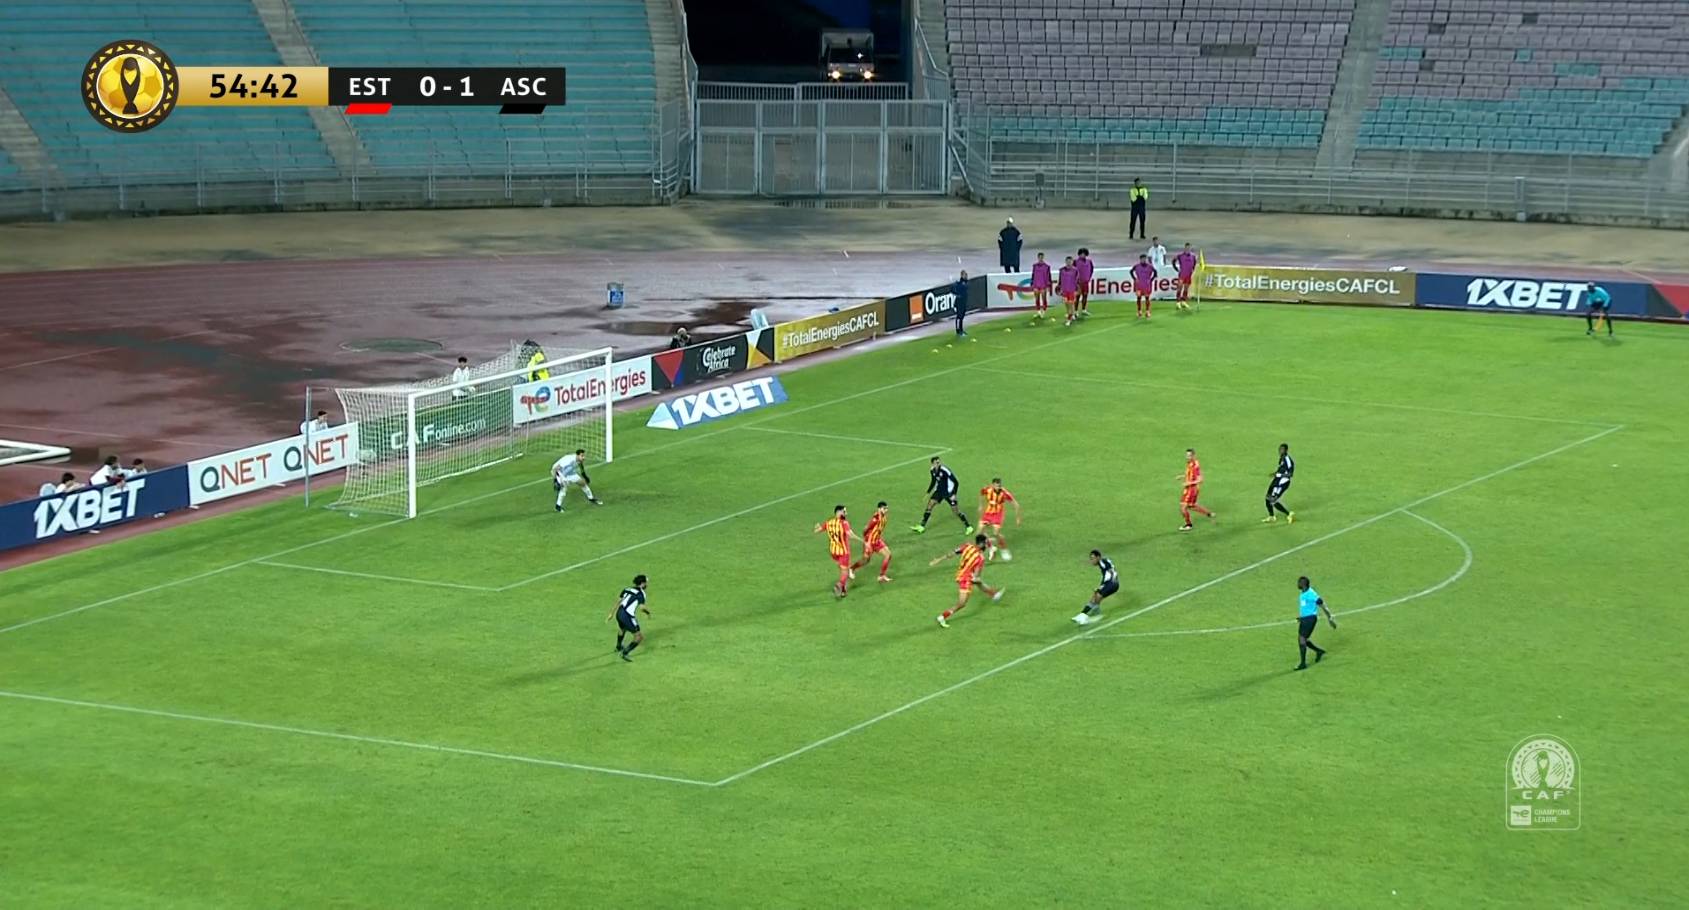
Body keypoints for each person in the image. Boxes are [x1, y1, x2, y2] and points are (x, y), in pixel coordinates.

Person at [931, 533, 1004, 628]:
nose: (986, 546)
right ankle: (942, 617)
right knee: (962, 603)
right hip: (966, 579)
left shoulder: (967, 546)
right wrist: (976, 579)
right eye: (985, 543)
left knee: (979, 583)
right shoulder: (980, 558)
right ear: (981, 544)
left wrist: (939, 559)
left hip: (960, 574)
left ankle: (994, 594)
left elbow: (952, 553)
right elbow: (976, 576)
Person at [913, 456, 972, 534]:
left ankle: (968, 527)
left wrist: (954, 494)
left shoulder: (945, 470)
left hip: (949, 492)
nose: (938, 464)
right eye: (936, 462)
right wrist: (928, 492)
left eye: (939, 462)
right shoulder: (932, 470)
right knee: (930, 506)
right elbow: (933, 481)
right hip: (939, 491)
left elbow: (956, 482)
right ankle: (922, 526)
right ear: (933, 464)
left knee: (956, 511)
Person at [814, 504, 859, 598]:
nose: (846, 513)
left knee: (843, 569)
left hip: (833, 551)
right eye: (844, 511)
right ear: (838, 512)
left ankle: (843, 591)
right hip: (843, 552)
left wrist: (816, 527)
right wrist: (862, 540)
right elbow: (850, 535)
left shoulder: (829, 522)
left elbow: (817, 530)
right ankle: (839, 584)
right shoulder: (844, 523)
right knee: (845, 572)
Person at [1294, 575, 1337, 670]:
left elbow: (1322, 605)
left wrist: (1330, 618)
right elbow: (1306, 607)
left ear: (1304, 584)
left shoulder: (1311, 594)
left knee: (1302, 639)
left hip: (1310, 619)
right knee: (1303, 639)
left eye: (1299, 582)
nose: (1297, 584)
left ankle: (1303, 664)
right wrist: (1302, 617)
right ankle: (1319, 651)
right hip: (1305, 619)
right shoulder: (1303, 593)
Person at [607, 574, 651, 662]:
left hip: (619, 613)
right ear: (642, 583)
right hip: (627, 616)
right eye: (646, 583)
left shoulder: (627, 589)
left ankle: (618, 646)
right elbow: (642, 608)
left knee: (622, 629)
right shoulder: (641, 593)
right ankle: (625, 653)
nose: (647, 585)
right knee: (639, 637)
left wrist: (611, 613)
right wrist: (648, 612)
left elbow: (618, 601)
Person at [849, 501, 894, 582]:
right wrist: (867, 541)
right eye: (884, 508)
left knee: (888, 555)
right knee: (865, 560)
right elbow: (865, 529)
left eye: (886, 508)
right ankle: (851, 568)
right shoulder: (875, 518)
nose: (886, 510)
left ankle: (881, 576)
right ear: (879, 509)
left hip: (877, 541)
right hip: (870, 542)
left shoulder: (883, 517)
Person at [977, 478, 1021, 561]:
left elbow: (1016, 504)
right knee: (979, 532)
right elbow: (982, 493)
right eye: (997, 486)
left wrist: (1018, 518)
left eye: (1000, 486)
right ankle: (991, 548)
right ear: (993, 485)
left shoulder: (1004, 493)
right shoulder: (988, 489)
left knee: (996, 533)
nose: (999, 487)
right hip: (988, 513)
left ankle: (1004, 550)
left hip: (998, 514)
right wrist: (980, 505)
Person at [1072, 550, 1120, 625]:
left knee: (1096, 595)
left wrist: (1102, 585)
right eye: (1091, 559)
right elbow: (1108, 573)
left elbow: (1109, 574)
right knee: (1096, 596)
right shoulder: (1103, 562)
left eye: (1093, 559)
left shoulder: (1103, 562)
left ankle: (1084, 615)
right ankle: (1092, 612)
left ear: (1098, 557)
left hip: (1112, 583)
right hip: (1111, 583)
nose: (1092, 561)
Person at [1178, 447, 1216, 531]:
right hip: (1189, 489)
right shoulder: (1190, 463)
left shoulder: (1195, 466)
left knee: (1183, 507)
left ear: (1193, 456)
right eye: (1186, 455)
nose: (1187, 457)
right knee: (1191, 506)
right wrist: (1183, 476)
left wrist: (1189, 483)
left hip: (1191, 490)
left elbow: (1200, 480)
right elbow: (1190, 474)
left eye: (1189, 456)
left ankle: (1188, 525)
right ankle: (1209, 514)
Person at [1262, 443, 1295, 524]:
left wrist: (1279, 475)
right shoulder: (1281, 458)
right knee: (1267, 497)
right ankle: (1271, 517)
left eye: (1282, 449)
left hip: (1282, 483)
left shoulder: (1288, 460)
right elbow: (1281, 469)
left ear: (1286, 450)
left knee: (1273, 500)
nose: (1280, 451)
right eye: (1279, 449)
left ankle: (1289, 514)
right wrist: (1275, 473)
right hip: (1276, 480)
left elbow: (1290, 474)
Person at [1173, 243, 1199, 309]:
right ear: (1184, 248)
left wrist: (1193, 270)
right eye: (1186, 248)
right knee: (1180, 287)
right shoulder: (1180, 255)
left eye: (1189, 248)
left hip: (1188, 275)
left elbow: (1194, 264)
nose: (1187, 249)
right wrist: (1175, 268)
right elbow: (1173, 261)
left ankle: (1184, 301)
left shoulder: (1193, 256)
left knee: (1186, 288)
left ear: (1190, 248)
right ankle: (1178, 302)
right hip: (1182, 274)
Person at [1131, 255, 1158, 319]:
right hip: (1139, 285)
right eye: (1142, 259)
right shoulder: (1136, 266)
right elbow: (1131, 271)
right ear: (1140, 259)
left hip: (1146, 285)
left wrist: (1151, 279)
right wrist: (1134, 278)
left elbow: (1155, 272)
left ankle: (1147, 311)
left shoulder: (1150, 266)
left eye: (1144, 259)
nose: (1143, 260)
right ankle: (1139, 311)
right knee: (1139, 298)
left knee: (1147, 298)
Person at [1058, 255, 1080, 326]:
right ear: (1065, 262)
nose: (1069, 263)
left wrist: (1077, 290)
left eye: (1070, 261)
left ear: (1072, 262)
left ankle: (1069, 320)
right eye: (1067, 261)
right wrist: (1060, 289)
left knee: (1070, 304)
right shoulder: (1061, 270)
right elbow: (1060, 280)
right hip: (1064, 291)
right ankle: (1071, 314)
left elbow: (1077, 281)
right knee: (1067, 305)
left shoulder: (1075, 270)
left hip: (1071, 291)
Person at [1029, 252, 1053, 320]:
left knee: (1044, 298)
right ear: (1038, 257)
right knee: (1037, 298)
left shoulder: (1047, 266)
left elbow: (1049, 276)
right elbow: (1033, 274)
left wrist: (1048, 285)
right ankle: (1038, 311)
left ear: (1043, 257)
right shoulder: (1035, 266)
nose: (1041, 258)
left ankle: (1044, 311)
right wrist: (1032, 283)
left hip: (1043, 285)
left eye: (1042, 257)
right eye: (1039, 257)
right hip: (1036, 284)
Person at [1074, 248, 1095, 319]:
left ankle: (1083, 310)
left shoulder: (1089, 262)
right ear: (1079, 254)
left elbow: (1091, 270)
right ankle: (1075, 311)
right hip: (1078, 283)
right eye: (1081, 254)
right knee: (1077, 297)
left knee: (1085, 296)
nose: (1083, 255)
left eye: (1084, 254)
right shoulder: (1075, 262)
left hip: (1085, 282)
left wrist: (1088, 277)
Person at [952, 271, 972, 339]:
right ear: (962, 275)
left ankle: (961, 329)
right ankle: (958, 331)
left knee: (962, 316)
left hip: (963, 302)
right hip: (959, 303)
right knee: (959, 316)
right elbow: (953, 290)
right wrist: (957, 295)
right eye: (965, 275)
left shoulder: (965, 283)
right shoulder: (959, 284)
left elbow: (967, 286)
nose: (966, 276)